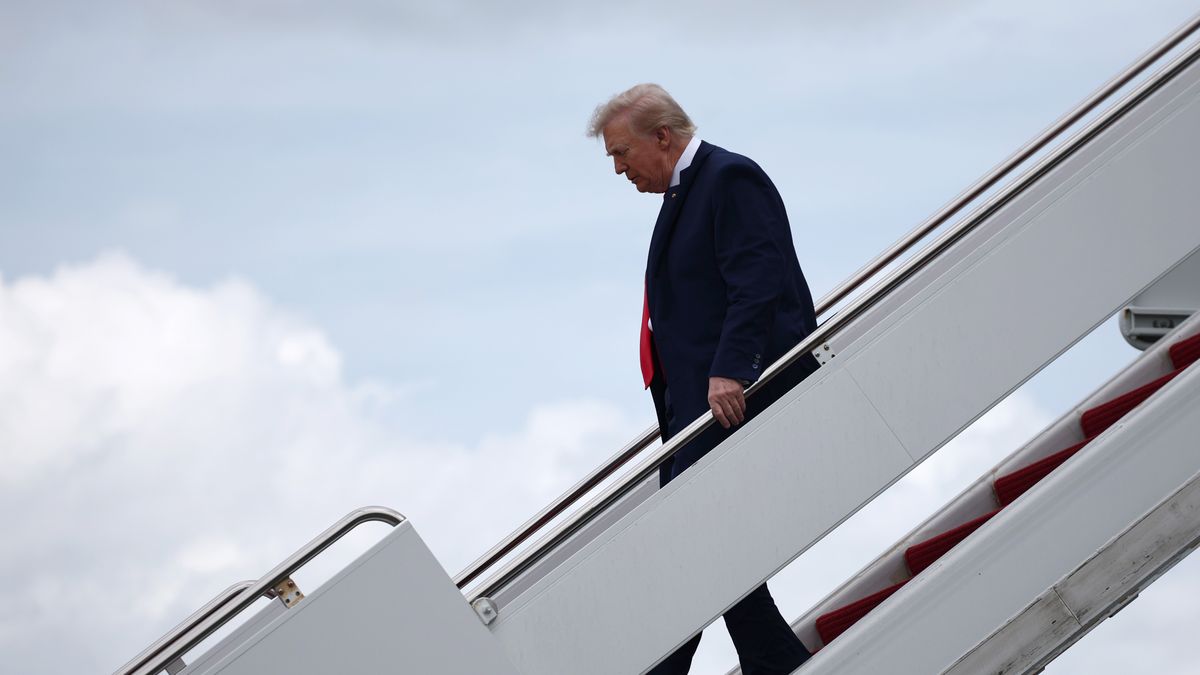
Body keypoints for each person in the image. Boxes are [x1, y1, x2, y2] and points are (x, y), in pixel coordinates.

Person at [587, 83, 820, 675]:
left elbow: (758, 279)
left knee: (696, 548)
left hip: (732, 400)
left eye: (620, 152)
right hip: (693, 411)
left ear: (661, 137)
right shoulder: (686, 192)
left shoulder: (729, 178)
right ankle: (775, 660)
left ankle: (769, 660)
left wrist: (729, 372)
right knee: (701, 551)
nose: (618, 169)